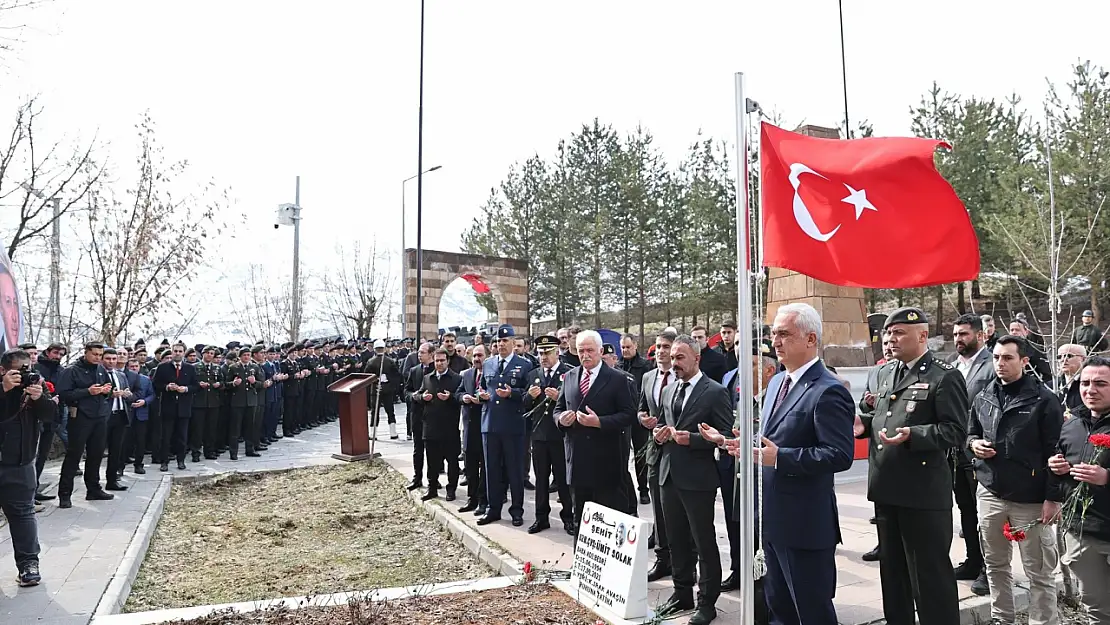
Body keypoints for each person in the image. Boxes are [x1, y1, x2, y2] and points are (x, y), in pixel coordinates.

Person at [729, 303, 854, 625]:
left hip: (805, 525)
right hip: (772, 519)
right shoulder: (775, 384)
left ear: (811, 339)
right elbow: (775, 436)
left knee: (811, 612)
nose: (776, 342)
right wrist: (747, 444)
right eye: (774, 334)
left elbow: (839, 454)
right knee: (779, 610)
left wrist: (780, 458)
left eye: (784, 334)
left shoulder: (828, 390)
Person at [854, 307, 967, 625]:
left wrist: (913, 435)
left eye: (899, 332)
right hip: (887, 490)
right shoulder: (885, 373)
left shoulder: (944, 376)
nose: (891, 338)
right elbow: (879, 413)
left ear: (922, 336)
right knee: (894, 578)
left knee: (930, 581)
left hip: (922, 494)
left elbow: (956, 431)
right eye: (889, 333)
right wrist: (863, 424)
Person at [967, 334, 1062, 625]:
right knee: (995, 565)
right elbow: (969, 431)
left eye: (1007, 358)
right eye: (996, 357)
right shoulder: (984, 395)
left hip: (1031, 500)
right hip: (991, 492)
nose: (1000, 363)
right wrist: (974, 444)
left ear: (1024, 361)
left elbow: (1057, 453)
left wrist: (1053, 498)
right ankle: (1001, 618)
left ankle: (1043, 621)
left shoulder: (1044, 400)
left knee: (1039, 572)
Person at [648, 334, 732, 625]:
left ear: (697, 358)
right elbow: (662, 422)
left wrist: (693, 440)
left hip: (698, 479)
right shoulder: (670, 389)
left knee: (703, 540)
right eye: (672, 358)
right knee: (676, 539)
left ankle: (707, 602)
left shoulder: (715, 391)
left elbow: (726, 436)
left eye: (680, 357)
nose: (675, 363)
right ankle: (681, 591)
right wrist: (659, 434)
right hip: (668, 474)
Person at [1048, 355, 1110, 622]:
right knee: (1097, 608)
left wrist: (1107, 477)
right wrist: (1058, 469)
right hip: (1084, 533)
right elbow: (1064, 470)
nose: (1090, 390)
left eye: (1101, 383)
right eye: (1085, 383)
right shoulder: (1071, 424)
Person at [555, 330, 637, 528]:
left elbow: (628, 414)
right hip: (577, 461)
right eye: (581, 351)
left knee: (607, 522)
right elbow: (558, 409)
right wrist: (561, 420)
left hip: (606, 462)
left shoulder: (617, 379)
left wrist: (599, 422)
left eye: (590, 350)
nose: (585, 355)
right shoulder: (570, 377)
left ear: (600, 351)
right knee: (581, 520)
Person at [950, 313, 995, 592]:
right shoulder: (952, 366)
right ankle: (972, 560)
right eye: (955, 334)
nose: (958, 339)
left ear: (980, 335)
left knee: (985, 515)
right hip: (956, 451)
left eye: (964, 334)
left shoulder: (993, 364)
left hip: (981, 451)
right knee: (966, 510)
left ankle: (990, 570)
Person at [478, 324, 534, 527]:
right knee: (491, 469)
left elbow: (529, 395)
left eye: (505, 341)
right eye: (498, 341)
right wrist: (481, 395)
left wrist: (512, 393)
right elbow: (482, 387)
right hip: (490, 424)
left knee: (515, 470)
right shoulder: (488, 363)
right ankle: (493, 509)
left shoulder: (524, 365)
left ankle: (516, 511)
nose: (501, 344)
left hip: (513, 425)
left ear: (513, 342)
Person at [523, 335, 573, 535]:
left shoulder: (568, 373)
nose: (543, 357)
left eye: (547, 353)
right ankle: (541, 517)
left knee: (563, 479)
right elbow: (525, 406)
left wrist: (558, 397)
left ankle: (569, 517)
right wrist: (529, 396)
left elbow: (574, 401)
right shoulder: (533, 374)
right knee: (541, 479)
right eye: (540, 353)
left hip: (560, 436)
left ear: (557, 352)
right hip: (540, 435)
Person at [56, 341, 115, 509]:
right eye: (94, 354)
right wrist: (87, 391)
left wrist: (106, 391)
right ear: (86, 352)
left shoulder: (101, 369)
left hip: (100, 416)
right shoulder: (71, 371)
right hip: (80, 417)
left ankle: (94, 489)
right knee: (74, 456)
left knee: (96, 454)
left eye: (100, 355)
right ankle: (65, 494)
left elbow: (108, 391)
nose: (97, 358)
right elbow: (64, 395)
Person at [638, 330, 677, 581]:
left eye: (666, 347)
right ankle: (663, 559)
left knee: (680, 510)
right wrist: (643, 419)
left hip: (679, 451)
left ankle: (685, 559)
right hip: (655, 450)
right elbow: (641, 407)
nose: (661, 351)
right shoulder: (648, 377)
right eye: (659, 346)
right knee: (659, 509)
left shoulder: (683, 377)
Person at [415, 348, 462, 501]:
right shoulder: (428, 378)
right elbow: (420, 394)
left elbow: (460, 398)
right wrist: (423, 397)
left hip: (449, 428)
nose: (439, 363)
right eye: (437, 360)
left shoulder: (456, 378)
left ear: (447, 361)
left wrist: (450, 397)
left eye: (442, 360)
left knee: (452, 461)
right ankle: (432, 487)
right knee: (432, 461)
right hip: (430, 427)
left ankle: (451, 489)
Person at [152, 343, 200, 471]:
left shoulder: (190, 368)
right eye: (175, 351)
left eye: (180, 351)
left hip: (184, 408)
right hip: (168, 407)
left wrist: (185, 389)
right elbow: (156, 385)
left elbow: (195, 386)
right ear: (172, 352)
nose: (177, 353)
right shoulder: (162, 367)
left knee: (182, 437)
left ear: (184, 353)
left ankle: (181, 460)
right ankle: (164, 462)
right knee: (166, 436)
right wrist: (167, 387)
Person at [456, 344, 489, 515]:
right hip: (469, 428)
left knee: (485, 466)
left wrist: (483, 400)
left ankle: (484, 501)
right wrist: (464, 397)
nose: (477, 358)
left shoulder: (492, 373)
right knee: (470, 466)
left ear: (487, 357)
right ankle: (472, 499)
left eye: (480, 355)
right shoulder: (467, 374)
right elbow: (458, 393)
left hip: (485, 426)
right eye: (475, 355)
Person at [403, 343, 434, 491]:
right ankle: (417, 477)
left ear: (431, 354)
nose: (419, 355)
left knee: (433, 450)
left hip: (433, 416)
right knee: (418, 449)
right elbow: (406, 391)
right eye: (418, 352)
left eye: (422, 352)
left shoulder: (436, 369)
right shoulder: (414, 371)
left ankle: (433, 479)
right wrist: (413, 396)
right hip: (417, 415)